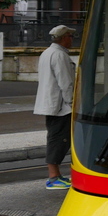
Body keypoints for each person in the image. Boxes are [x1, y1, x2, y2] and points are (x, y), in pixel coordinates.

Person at [35, 24, 76, 189]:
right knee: (59, 139)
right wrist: (73, 103)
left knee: (55, 137)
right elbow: (66, 83)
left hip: (52, 104)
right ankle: (53, 178)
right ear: (64, 38)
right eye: (70, 36)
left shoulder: (47, 53)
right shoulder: (59, 56)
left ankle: (56, 176)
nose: (72, 39)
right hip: (61, 106)